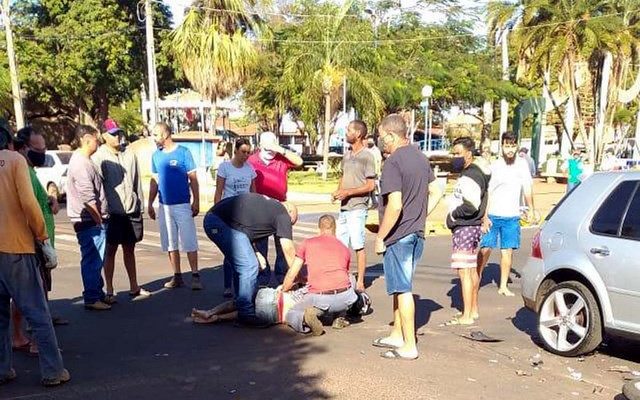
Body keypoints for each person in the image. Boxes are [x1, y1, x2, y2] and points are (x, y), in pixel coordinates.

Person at [0, 123, 70, 387]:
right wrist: (42, 238)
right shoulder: (15, 161)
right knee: (38, 314)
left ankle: (3, 368)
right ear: (8, 142)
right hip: (18, 249)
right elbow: (29, 204)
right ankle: (53, 371)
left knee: (0, 318)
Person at [372, 114, 440, 361]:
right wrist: (422, 215)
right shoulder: (420, 158)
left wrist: (381, 236)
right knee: (401, 286)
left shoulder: (393, 162)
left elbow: (395, 205)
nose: (381, 142)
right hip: (416, 232)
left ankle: (409, 345)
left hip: (399, 235)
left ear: (390, 135)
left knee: (402, 289)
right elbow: (437, 190)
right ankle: (397, 333)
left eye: (382, 137)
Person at [203, 193, 298, 328]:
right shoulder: (283, 213)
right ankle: (245, 313)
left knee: (242, 265)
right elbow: (288, 249)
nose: (288, 227)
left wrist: (257, 253)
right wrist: (296, 275)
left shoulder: (268, 209)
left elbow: (247, 229)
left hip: (220, 220)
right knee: (249, 266)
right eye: (291, 223)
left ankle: (240, 303)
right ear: (289, 211)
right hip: (220, 222)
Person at [11, 127, 64, 356]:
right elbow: (29, 208)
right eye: (38, 149)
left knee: (27, 295)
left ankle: (19, 337)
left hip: (34, 242)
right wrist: (42, 240)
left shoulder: (29, 171)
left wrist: (51, 201)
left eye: (44, 149)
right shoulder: (21, 170)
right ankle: (37, 343)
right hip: (34, 244)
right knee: (37, 297)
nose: (42, 153)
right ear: (23, 147)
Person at [93, 119, 150, 302]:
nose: (117, 136)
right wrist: (102, 211)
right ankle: (109, 289)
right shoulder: (99, 157)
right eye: (113, 133)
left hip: (131, 209)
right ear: (104, 136)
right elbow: (98, 187)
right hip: (113, 213)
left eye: (119, 132)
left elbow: (136, 182)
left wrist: (139, 204)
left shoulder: (130, 153)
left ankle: (134, 286)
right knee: (110, 250)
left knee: (130, 248)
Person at [477, 133, 535, 300]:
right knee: (485, 248)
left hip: (512, 216)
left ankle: (502, 286)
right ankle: (476, 278)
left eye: (512, 146)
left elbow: (528, 188)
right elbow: (487, 192)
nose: (509, 150)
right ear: (501, 146)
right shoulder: (495, 166)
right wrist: (485, 216)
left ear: (516, 146)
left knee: (507, 252)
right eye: (506, 146)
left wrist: (531, 209)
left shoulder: (522, 165)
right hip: (493, 215)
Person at [281, 215, 358, 336]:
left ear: (319, 228)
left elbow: (292, 272)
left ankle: (306, 319)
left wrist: (284, 290)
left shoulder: (307, 243)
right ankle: (340, 316)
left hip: (320, 298)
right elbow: (345, 275)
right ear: (335, 228)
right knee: (351, 278)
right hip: (346, 298)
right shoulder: (344, 248)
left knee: (292, 313)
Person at [148, 122, 202, 290]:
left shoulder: (183, 152)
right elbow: (154, 180)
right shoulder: (156, 156)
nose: (154, 138)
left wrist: (196, 201)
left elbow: (193, 178)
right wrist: (150, 203)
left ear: (165, 134)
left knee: (189, 240)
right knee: (170, 242)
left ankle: (195, 275)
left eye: (156, 134)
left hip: (182, 204)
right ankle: (177, 275)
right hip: (164, 205)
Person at [248, 131, 303, 286]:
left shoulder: (281, 158)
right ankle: (263, 277)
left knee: (282, 242)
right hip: (260, 206)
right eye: (267, 147)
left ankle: (282, 276)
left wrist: (280, 149)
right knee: (260, 243)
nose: (270, 152)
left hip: (280, 205)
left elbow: (298, 161)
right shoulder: (252, 160)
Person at [445, 137, 489, 326]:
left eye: (458, 153)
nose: (454, 157)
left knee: (464, 272)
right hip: (472, 226)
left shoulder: (471, 176)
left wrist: (453, 216)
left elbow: (471, 205)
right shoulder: (477, 173)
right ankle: (472, 310)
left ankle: (467, 314)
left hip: (465, 226)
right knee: (470, 270)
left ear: (468, 154)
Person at [67, 125, 111, 311]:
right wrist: (99, 219)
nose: (98, 141)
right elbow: (88, 198)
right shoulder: (81, 163)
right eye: (95, 138)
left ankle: (97, 294)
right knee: (92, 259)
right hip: (89, 221)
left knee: (95, 259)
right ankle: (92, 297)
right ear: (86, 139)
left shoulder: (85, 160)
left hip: (91, 220)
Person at [190, 286, 371, 327]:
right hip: (277, 315)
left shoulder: (322, 287)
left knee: (241, 301)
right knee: (242, 312)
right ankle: (217, 318)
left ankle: (210, 312)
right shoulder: (332, 312)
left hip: (277, 296)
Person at [332, 121, 376, 292]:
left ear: (358, 134)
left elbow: (370, 185)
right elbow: (343, 177)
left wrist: (349, 193)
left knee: (358, 244)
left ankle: (360, 281)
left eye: (349, 130)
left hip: (358, 207)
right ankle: (342, 277)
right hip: (344, 207)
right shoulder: (347, 155)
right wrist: (337, 192)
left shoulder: (367, 156)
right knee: (341, 246)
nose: (346, 132)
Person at [214, 138, 257, 297]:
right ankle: (227, 286)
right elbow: (218, 191)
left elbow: (253, 191)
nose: (246, 155)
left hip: (244, 212)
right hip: (228, 211)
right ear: (236, 151)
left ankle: (243, 286)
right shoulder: (225, 167)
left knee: (245, 249)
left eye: (248, 152)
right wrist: (216, 211)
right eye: (243, 152)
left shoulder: (249, 169)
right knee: (231, 249)